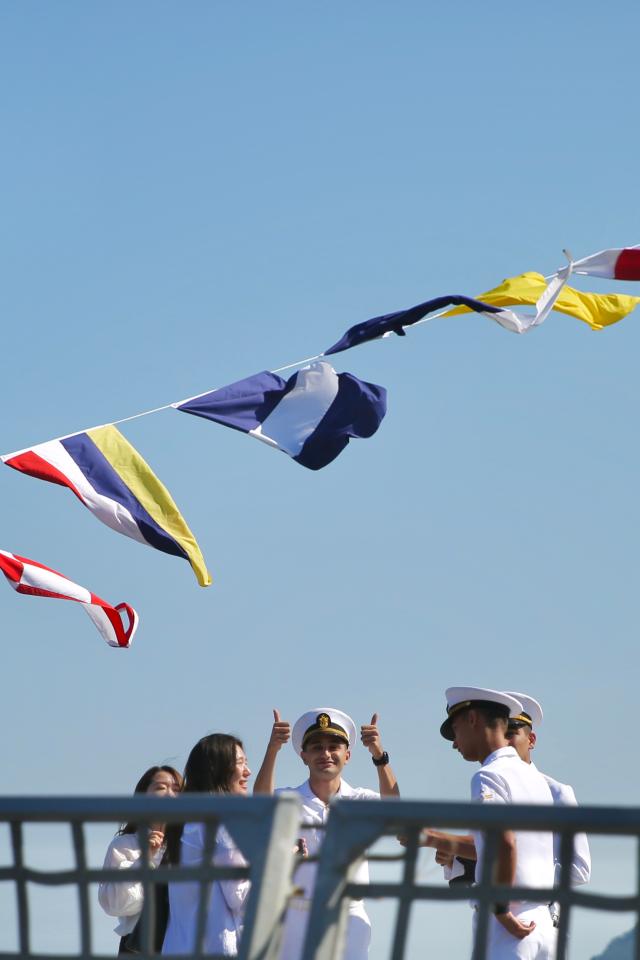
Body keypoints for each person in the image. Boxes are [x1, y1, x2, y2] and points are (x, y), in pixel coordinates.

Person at [254, 706, 399, 960]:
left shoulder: (360, 800)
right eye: (317, 747)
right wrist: (273, 749)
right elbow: (259, 806)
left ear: (348, 754)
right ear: (303, 756)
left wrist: (379, 755)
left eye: (334, 746)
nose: (326, 753)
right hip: (296, 917)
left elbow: (394, 811)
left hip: (349, 916)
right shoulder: (289, 800)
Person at [433, 687, 557, 959]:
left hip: (510, 926)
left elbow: (504, 842)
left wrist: (501, 911)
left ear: (472, 719)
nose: (455, 743)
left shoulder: (488, 776)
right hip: (543, 923)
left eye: (455, 730)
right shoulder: (535, 778)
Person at [162, 734, 252, 957]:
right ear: (217, 768)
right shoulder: (220, 820)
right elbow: (239, 897)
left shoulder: (187, 819)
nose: (248, 772)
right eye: (240, 763)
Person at [98, 765, 183, 955]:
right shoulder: (125, 845)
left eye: (177, 790)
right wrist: (146, 859)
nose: (170, 795)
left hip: (181, 944)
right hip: (139, 947)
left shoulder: (190, 844)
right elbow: (114, 904)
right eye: (161, 788)